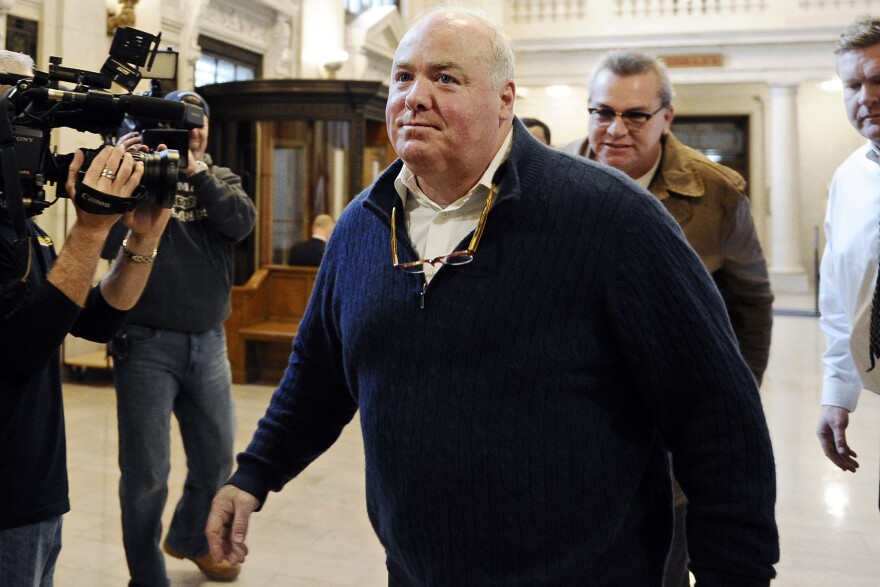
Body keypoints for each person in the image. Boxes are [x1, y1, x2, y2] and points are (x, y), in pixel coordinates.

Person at [206, 6, 779, 584]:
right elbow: (318, 373)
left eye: (445, 78)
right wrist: (254, 473)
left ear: (505, 99)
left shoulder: (611, 218)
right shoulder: (362, 226)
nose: (415, 95)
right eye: (403, 77)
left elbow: (717, 416)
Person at [561, 50, 774, 586]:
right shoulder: (547, 177)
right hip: (569, 426)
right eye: (602, 111)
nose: (615, 129)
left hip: (669, 435)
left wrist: (733, 404)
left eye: (635, 115)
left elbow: (751, 303)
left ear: (666, 118)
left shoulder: (716, 194)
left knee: (661, 566)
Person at [1, 50, 172, 587]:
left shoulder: (26, 226)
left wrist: (142, 239)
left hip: (37, 489)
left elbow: (92, 322)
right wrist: (91, 230)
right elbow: (24, 346)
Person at [108, 90, 256, 586]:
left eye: (199, 122)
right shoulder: (138, 176)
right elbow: (107, 239)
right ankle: (147, 577)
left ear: (208, 130)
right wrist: (121, 172)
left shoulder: (222, 179)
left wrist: (195, 172)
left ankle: (191, 538)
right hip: (146, 344)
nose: (192, 130)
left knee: (217, 460)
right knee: (147, 475)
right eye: (181, 121)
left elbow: (240, 223)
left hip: (209, 342)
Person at [816, 15, 880, 493]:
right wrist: (838, 393)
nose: (866, 97)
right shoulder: (849, 178)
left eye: (878, 80)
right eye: (852, 84)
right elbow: (840, 298)